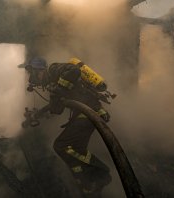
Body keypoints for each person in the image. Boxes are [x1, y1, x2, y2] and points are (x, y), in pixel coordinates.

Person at [25, 57, 112, 197]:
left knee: (61, 146)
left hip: (89, 113)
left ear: (37, 70)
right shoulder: (53, 84)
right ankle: (86, 182)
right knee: (72, 149)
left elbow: (74, 70)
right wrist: (37, 114)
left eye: (32, 73)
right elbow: (56, 109)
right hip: (83, 114)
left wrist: (59, 88)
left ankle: (101, 172)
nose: (31, 78)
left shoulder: (53, 70)